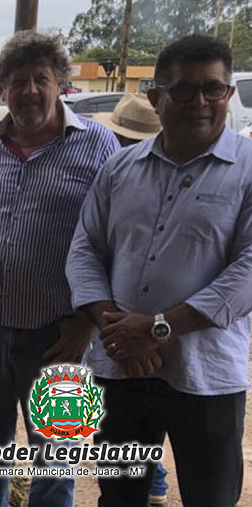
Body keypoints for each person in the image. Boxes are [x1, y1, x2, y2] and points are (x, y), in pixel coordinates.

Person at [67, 34, 252, 507]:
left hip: (205, 376)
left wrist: (156, 328)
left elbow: (249, 270)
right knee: (119, 496)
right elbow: (85, 247)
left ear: (229, 94)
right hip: (122, 368)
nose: (201, 102)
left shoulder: (248, 169)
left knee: (209, 498)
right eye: (185, 90)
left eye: (213, 89)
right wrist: (115, 331)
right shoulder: (120, 169)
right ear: (156, 97)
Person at [0, 30, 119, 507]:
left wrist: (87, 323)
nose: (30, 91)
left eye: (41, 79)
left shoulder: (100, 146)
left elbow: (115, 240)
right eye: (18, 81)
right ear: (2, 88)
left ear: (61, 83)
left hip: (60, 333)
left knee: (55, 462)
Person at [93, 93, 170, 507]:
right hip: (113, 319)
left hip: (140, 323)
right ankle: (151, 476)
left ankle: (152, 475)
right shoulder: (117, 173)